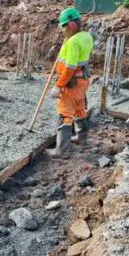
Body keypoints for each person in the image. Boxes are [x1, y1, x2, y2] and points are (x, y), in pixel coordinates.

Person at [48, 8, 94, 159]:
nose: (62, 29)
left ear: (72, 25)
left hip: (71, 83)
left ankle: (61, 150)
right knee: (79, 109)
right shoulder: (86, 36)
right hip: (83, 82)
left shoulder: (73, 42)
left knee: (65, 113)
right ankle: (81, 137)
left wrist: (58, 86)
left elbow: (70, 67)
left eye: (63, 26)